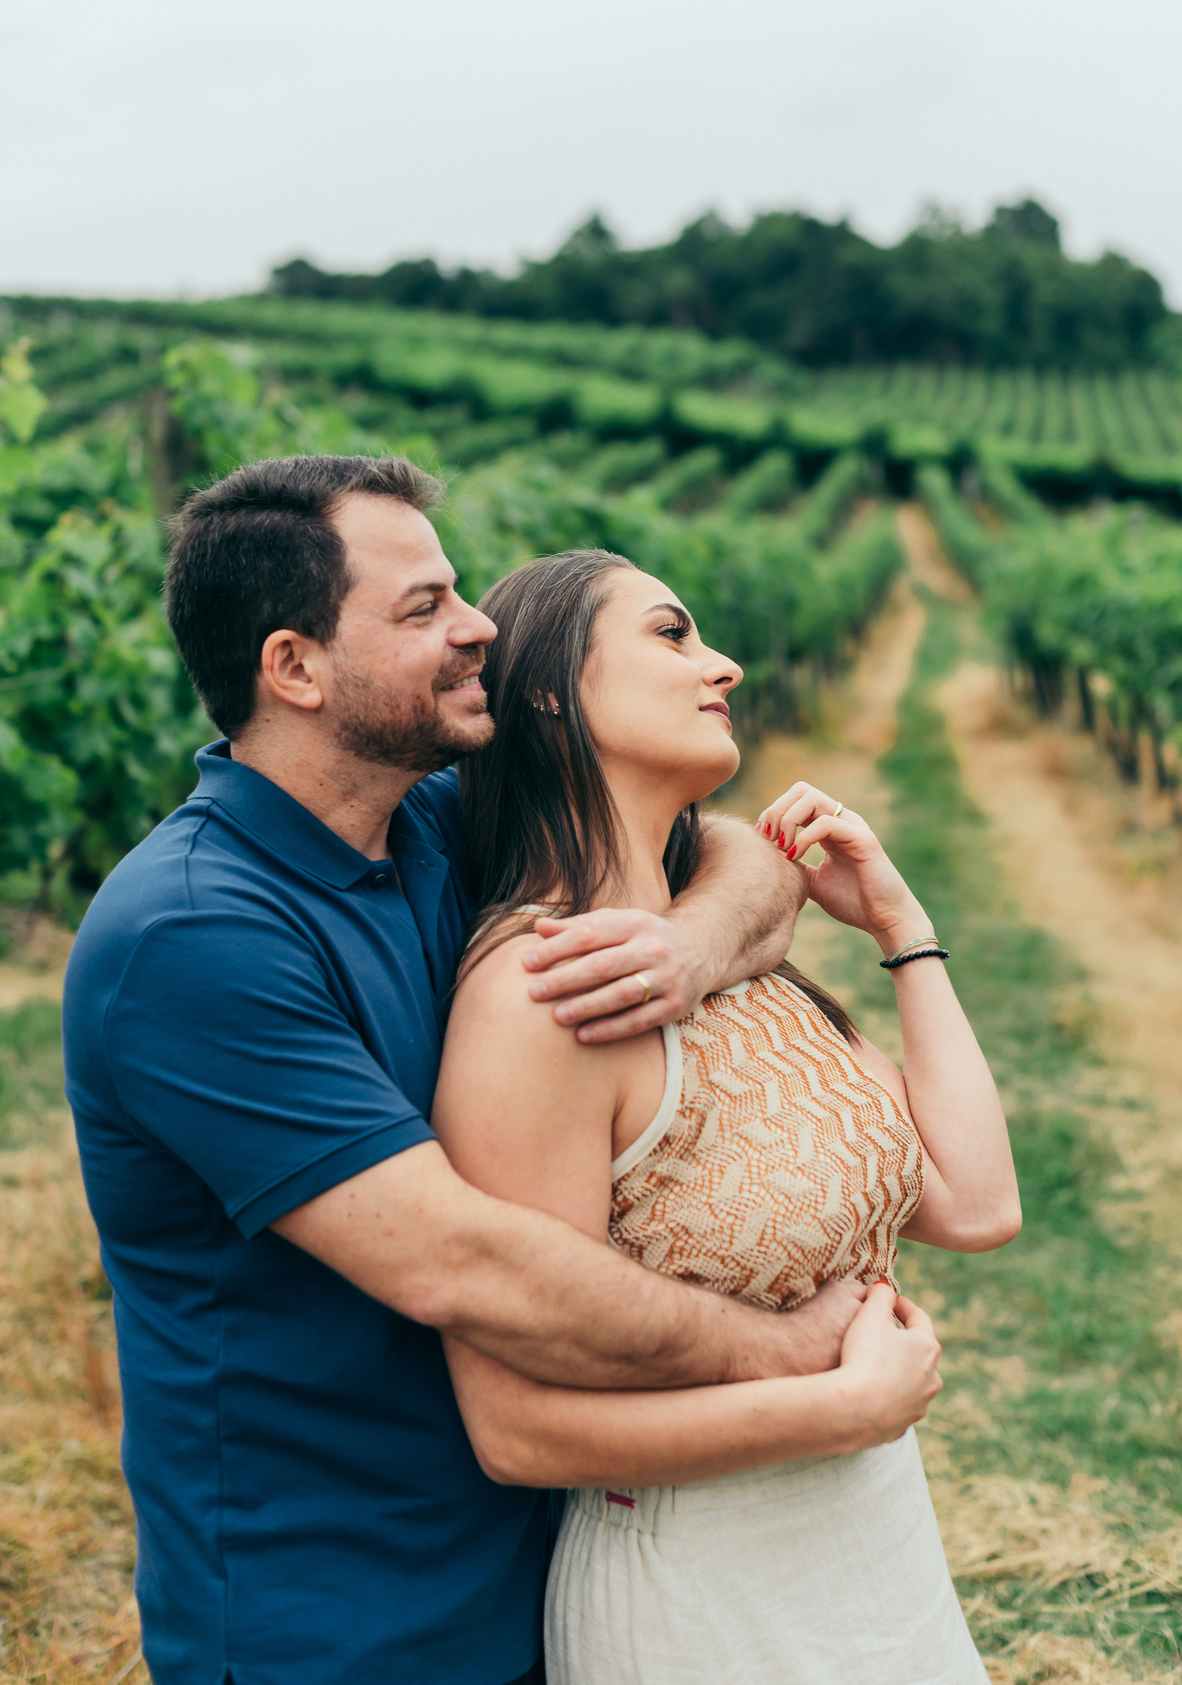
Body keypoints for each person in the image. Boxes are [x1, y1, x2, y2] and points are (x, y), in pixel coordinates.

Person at [62, 455, 902, 1685]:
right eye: (423, 610)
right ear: (291, 667)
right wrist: (790, 1357)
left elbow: (737, 848)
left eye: (459, 592)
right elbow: (459, 1261)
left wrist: (685, 946)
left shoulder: (432, 826)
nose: (481, 629)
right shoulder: (192, 935)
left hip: (528, 1569)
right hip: (336, 1621)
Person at [434, 548, 1023, 1684]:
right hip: (700, 1586)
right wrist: (837, 1409)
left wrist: (903, 929)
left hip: (876, 1534)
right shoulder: (543, 993)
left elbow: (976, 1201)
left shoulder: (737, 951)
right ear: (551, 686)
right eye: (671, 635)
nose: (727, 663)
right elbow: (515, 1430)